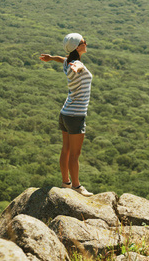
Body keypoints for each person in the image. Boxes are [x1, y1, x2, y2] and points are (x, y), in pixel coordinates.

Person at [39, 33, 93, 197]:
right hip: (76, 115)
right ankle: (76, 186)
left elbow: (62, 59)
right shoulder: (75, 64)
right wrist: (77, 68)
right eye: (84, 41)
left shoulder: (68, 61)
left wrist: (50, 58)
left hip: (65, 113)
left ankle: (66, 182)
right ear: (78, 46)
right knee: (75, 154)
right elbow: (76, 67)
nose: (86, 43)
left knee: (66, 150)